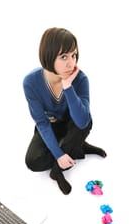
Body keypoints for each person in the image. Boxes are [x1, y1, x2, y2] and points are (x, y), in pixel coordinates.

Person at [23, 27, 106, 195]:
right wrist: (59, 154)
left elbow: (82, 121)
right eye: (64, 57)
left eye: (74, 55)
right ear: (48, 55)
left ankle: (57, 171)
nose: (71, 63)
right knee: (33, 162)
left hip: (73, 126)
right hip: (50, 125)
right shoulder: (31, 82)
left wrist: (68, 86)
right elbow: (42, 123)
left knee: (84, 120)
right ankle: (78, 148)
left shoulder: (80, 79)